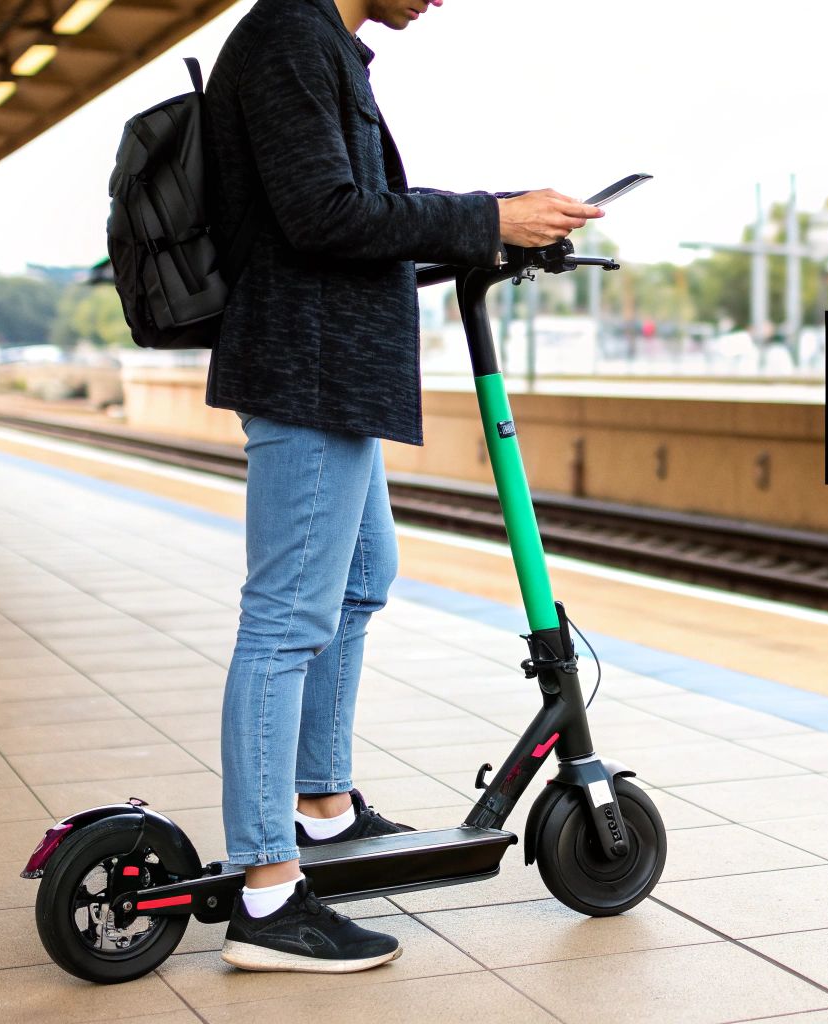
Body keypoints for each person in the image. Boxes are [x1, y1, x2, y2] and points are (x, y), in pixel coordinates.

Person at [200, 0, 603, 973]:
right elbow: (321, 215)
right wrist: (484, 216)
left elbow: (351, 219)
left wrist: (491, 233)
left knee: (356, 581)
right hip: (308, 367)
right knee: (286, 619)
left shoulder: (324, 43)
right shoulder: (291, 36)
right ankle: (266, 890)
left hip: (334, 370)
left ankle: (324, 809)